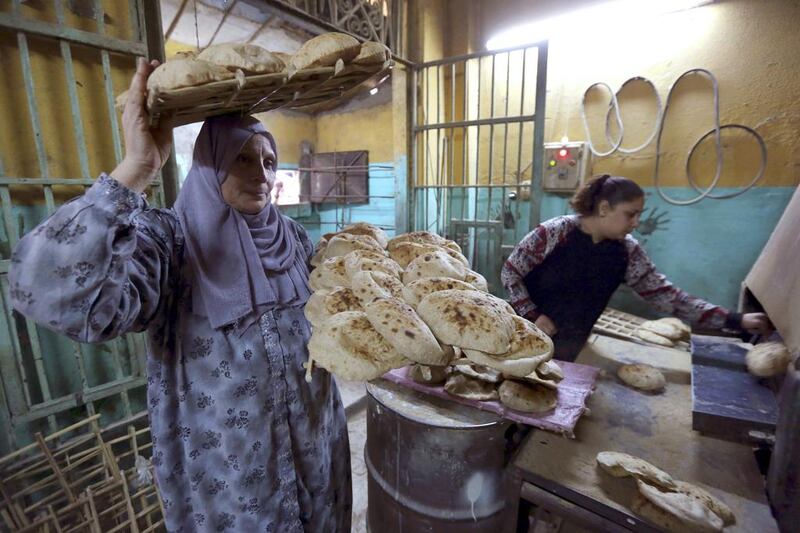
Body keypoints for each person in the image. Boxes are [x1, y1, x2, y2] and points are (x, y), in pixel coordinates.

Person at [9, 58, 351, 532]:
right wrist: (137, 168)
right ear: (209, 164)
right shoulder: (170, 240)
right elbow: (44, 287)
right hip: (231, 479)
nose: (261, 174)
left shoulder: (293, 239)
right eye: (243, 159)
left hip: (316, 454)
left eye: (269, 161)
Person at [502, 174, 771, 361]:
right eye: (631, 214)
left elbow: (669, 298)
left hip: (570, 343)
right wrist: (533, 313)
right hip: (521, 334)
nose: (636, 223)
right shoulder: (555, 233)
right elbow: (511, 273)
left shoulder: (627, 252)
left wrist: (735, 320)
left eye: (639, 215)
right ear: (605, 208)